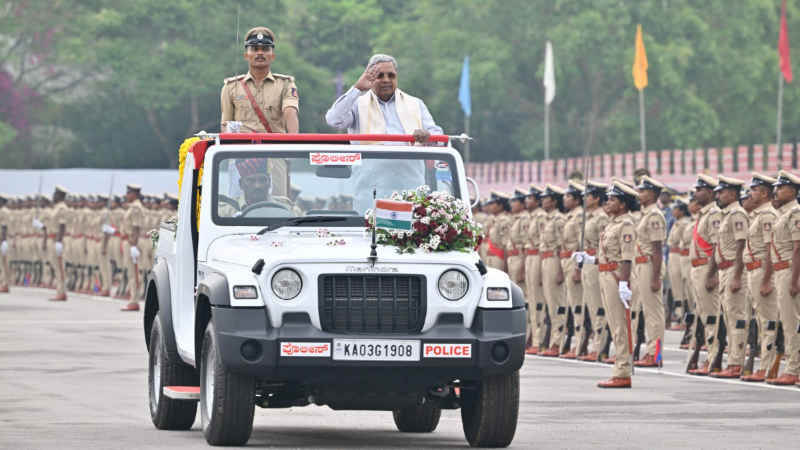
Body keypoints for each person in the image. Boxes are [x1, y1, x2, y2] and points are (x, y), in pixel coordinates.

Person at [325, 54, 444, 213]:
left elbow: (439, 138)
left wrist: (426, 135)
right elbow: (333, 120)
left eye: (391, 75)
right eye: (380, 76)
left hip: (410, 191)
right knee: (371, 238)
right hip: (371, 192)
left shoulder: (415, 103)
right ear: (370, 78)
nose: (386, 80)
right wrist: (358, 89)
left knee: (410, 237)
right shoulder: (358, 104)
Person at [573, 180, 640, 388]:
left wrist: (625, 284)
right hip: (607, 275)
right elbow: (609, 256)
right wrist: (590, 259)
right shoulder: (613, 223)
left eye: (612, 199)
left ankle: (623, 373)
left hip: (617, 278)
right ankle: (619, 370)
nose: (607, 202)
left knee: (621, 326)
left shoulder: (627, 225)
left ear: (623, 204)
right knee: (614, 324)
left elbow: (627, 258)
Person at [221, 27, 299, 198]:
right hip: (242, 156)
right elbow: (225, 124)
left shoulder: (286, 85)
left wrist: (293, 148)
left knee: (278, 203)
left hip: (275, 153)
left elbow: (290, 114)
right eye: (254, 49)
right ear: (246, 55)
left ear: (273, 55)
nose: (260, 53)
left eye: (265, 49)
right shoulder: (231, 86)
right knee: (237, 205)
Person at [708, 176, 750, 378]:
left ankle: (736, 363)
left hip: (734, 269)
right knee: (729, 318)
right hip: (725, 270)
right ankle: (733, 361)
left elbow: (742, 247)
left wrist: (737, 277)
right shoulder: (726, 214)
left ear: (732, 194)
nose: (717, 195)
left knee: (737, 318)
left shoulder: (737, 214)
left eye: (721, 192)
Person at [740, 173, 779, 382]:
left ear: (764, 193)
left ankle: (767, 367)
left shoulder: (767, 216)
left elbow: (770, 249)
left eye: (753, 190)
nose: (750, 193)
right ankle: (765, 365)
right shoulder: (757, 214)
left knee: (768, 322)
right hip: (754, 271)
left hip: (763, 271)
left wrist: (765, 280)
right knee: (762, 321)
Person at [766, 170, 800, 386]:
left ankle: (794, 368)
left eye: (780, 187)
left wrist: (795, 280)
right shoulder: (783, 213)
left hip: (790, 271)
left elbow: (798, 249)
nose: (776, 191)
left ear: (792, 190)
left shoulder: (795, 212)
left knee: (791, 323)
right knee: (787, 323)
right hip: (781, 271)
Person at [688, 174, 722, 376]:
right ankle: (709, 355)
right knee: (704, 316)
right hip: (697, 268)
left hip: (706, 269)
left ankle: (713, 357)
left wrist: (711, 275)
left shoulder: (714, 214)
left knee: (711, 317)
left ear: (709, 193)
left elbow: (716, 247)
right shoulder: (703, 214)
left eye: (699, 190)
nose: (695, 193)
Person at [633, 175, 667, 367]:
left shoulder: (654, 216)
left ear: (652, 194)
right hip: (641, 265)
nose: (639, 194)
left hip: (649, 265)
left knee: (654, 313)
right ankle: (651, 351)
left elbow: (657, 249)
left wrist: (655, 278)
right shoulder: (646, 214)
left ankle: (656, 355)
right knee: (647, 312)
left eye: (643, 191)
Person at [577, 181, 610, 362]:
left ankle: (600, 346)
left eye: (588, 196)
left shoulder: (601, 218)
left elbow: (604, 245)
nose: (584, 199)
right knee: (590, 306)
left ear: (597, 199)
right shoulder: (588, 216)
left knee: (598, 307)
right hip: (587, 262)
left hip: (596, 263)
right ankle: (595, 344)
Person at [539, 184, 568, 357]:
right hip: (545, 260)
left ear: (554, 201)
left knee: (557, 304)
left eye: (546, 198)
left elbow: (562, 246)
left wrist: (560, 271)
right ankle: (554, 341)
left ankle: (558, 342)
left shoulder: (558, 219)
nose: (543, 201)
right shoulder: (548, 218)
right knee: (550, 304)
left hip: (555, 260)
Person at [560, 180, 585, 359]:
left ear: (576, 200)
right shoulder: (570, 216)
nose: (564, 198)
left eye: (568, 196)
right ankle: (575, 343)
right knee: (572, 304)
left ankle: (580, 343)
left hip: (575, 261)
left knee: (577, 306)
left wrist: (578, 269)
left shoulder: (578, 217)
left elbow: (580, 245)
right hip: (567, 260)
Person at [218, 158, 295, 217]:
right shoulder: (226, 210)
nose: (257, 185)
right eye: (251, 180)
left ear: (270, 182)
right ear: (241, 184)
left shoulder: (285, 207)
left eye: (263, 180)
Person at [523, 184, 546, 354]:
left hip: (540, 256)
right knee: (531, 300)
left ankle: (540, 340)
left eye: (530, 198)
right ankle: (534, 338)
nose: (526, 201)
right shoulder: (532, 217)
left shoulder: (542, 217)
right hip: (531, 256)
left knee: (538, 301)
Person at [121, 184, 145, 312]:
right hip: (128, 241)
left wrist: (134, 245)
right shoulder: (132, 206)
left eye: (129, 192)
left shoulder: (136, 207)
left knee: (133, 272)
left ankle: (134, 300)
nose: (127, 195)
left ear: (135, 194)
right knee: (130, 271)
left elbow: (136, 228)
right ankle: (132, 299)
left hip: (132, 241)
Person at [45, 186, 69, 301]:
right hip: (51, 238)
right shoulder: (55, 208)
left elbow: (62, 226)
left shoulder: (62, 208)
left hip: (56, 239)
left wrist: (59, 242)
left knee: (59, 267)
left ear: (61, 196)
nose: (53, 195)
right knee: (55, 266)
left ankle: (62, 292)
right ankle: (59, 290)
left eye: (56, 194)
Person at [507, 188, 531, 300]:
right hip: (513, 258)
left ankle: (525, 318)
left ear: (523, 204)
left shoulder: (524, 219)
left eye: (515, 201)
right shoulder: (516, 218)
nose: (512, 204)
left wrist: (522, 268)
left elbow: (527, 244)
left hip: (520, 258)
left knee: (522, 292)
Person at [483, 191, 511, 272]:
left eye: (492, 204)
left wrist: (506, 267)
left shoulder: (503, 220)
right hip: (490, 257)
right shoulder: (494, 219)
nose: (489, 207)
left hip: (498, 258)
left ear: (500, 206)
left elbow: (506, 245)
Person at [0, 193, 9, 293]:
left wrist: (4, 241)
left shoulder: (4, 212)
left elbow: (4, 227)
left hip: (3, 240)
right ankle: (3, 282)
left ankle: (5, 284)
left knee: (4, 263)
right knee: (2, 263)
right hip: (1, 239)